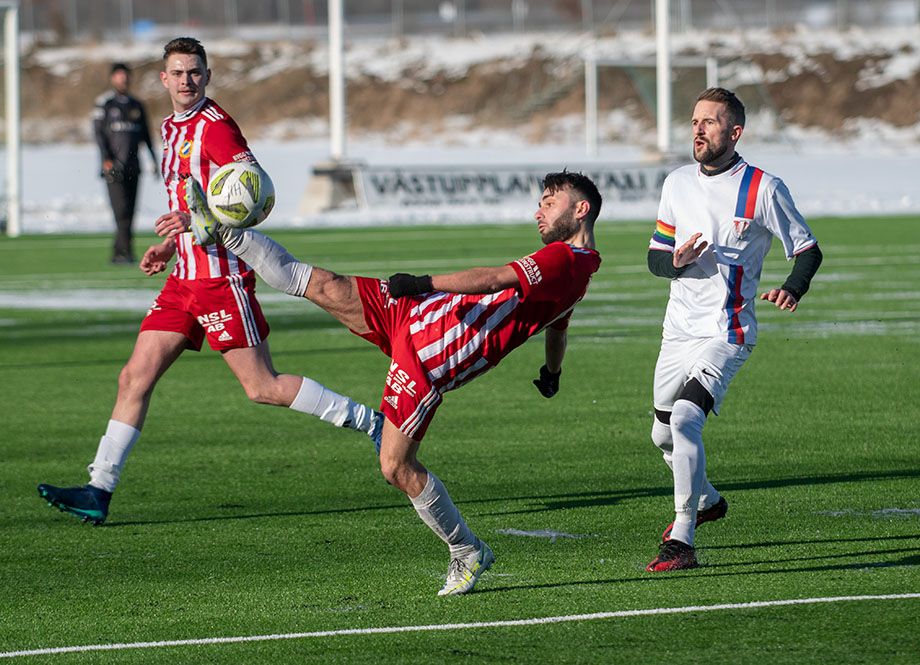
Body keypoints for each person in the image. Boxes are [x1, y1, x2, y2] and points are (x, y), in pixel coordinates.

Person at [167, 169, 603, 596]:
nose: (538, 213)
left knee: (396, 467)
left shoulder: (566, 258)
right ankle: (224, 234)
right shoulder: (574, 274)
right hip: (417, 315)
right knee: (324, 284)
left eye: (548, 203)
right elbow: (558, 327)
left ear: (580, 209)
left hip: (430, 357)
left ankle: (466, 549)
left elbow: (493, 278)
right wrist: (552, 373)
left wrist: (422, 282)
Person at [38, 37, 382, 526]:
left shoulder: (215, 128)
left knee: (262, 386)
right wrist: (171, 242)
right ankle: (98, 489)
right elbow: (191, 202)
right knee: (134, 377)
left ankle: (374, 423)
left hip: (222, 278)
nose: (186, 81)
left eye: (195, 72)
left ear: (207, 75)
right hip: (183, 279)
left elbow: (254, 193)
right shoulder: (170, 126)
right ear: (163, 78)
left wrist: (197, 220)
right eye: (177, 73)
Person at [644, 87, 823, 571]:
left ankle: (681, 537)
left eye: (710, 121)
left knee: (684, 420)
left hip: (728, 332)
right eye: (695, 120)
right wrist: (675, 262)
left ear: (734, 131)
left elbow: (807, 249)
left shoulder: (763, 187)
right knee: (662, 437)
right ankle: (708, 501)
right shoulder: (677, 182)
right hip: (677, 331)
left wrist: (793, 287)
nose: (698, 129)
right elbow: (656, 258)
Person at [93, 62, 158, 264]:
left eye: (126, 76)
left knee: (130, 211)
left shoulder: (136, 105)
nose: (123, 80)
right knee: (120, 210)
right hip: (113, 168)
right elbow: (99, 135)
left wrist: (154, 160)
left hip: (133, 167)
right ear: (113, 78)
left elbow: (147, 135)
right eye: (120, 76)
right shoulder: (105, 103)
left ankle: (121, 251)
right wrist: (107, 159)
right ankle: (123, 252)